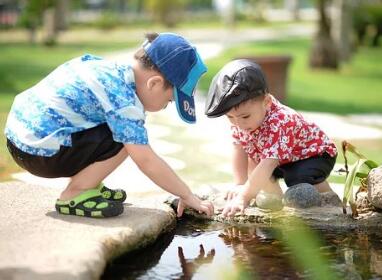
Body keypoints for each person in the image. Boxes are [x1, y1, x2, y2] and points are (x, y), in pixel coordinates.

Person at [5, 32, 214, 218]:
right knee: (129, 139)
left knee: (122, 129)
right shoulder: (123, 100)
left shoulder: (109, 71)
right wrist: (186, 194)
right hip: (39, 153)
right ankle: (75, 193)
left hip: (19, 139)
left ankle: (89, 183)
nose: (165, 107)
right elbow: (146, 160)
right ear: (155, 84)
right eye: (169, 101)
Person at [204, 59, 337, 217]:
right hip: (282, 159)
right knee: (254, 163)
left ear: (266, 102)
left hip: (314, 155)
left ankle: (329, 200)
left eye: (245, 116)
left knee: (296, 177)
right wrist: (240, 184)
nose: (238, 124)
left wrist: (243, 198)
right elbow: (239, 148)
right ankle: (276, 202)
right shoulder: (241, 121)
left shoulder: (281, 121)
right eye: (230, 117)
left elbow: (269, 163)